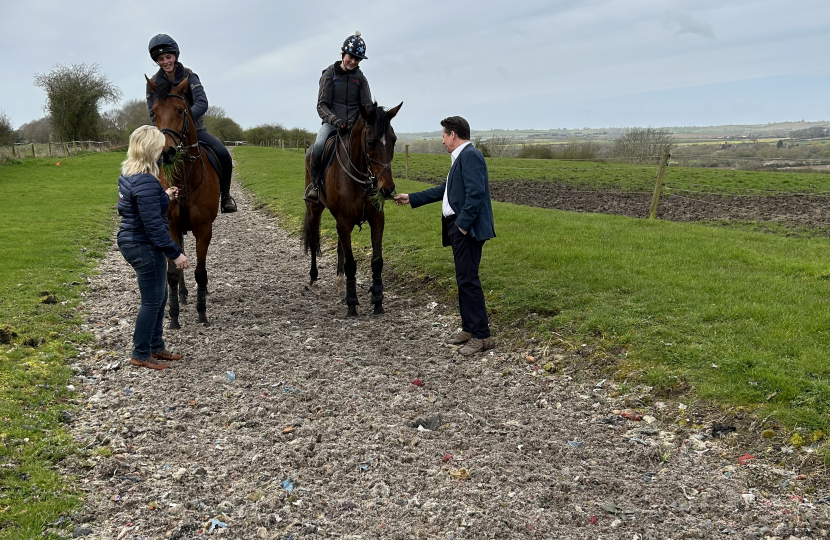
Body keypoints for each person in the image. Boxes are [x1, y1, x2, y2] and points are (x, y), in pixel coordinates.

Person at [394, 117, 496, 356]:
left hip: (466, 230)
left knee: (469, 280)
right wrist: (412, 198)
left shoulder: (470, 156)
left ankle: (482, 336)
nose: (442, 141)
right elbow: (445, 190)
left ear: (453, 135)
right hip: (459, 228)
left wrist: (461, 226)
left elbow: (476, 195)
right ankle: (469, 329)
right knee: (463, 279)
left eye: (443, 135)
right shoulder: (460, 158)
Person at [117, 125, 190, 370]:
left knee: (160, 296)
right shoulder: (147, 182)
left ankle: (156, 347)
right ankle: (140, 353)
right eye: (159, 146)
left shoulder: (129, 175)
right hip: (143, 245)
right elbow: (154, 228)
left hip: (135, 241)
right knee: (151, 300)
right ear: (151, 149)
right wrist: (176, 253)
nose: (162, 150)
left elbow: (137, 208)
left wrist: (165, 196)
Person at [146, 34, 237, 213]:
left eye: (168, 57)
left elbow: (202, 103)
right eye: (161, 59)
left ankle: (225, 196)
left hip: (195, 130)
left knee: (224, 155)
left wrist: (185, 118)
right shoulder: (153, 83)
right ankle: (148, 200)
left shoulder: (189, 75)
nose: (165, 61)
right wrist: (166, 129)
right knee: (146, 161)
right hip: (166, 133)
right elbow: (152, 111)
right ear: (157, 61)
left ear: (175, 56)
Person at [305, 31, 373, 202]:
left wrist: (357, 120)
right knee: (319, 145)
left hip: (354, 125)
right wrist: (333, 119)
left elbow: (366, 105)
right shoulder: (329, 74)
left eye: (357, 59)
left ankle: (373, 183)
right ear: (343, 53)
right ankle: (314, 186)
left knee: (373, 145)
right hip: (332, 123)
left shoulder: (361, 78)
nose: (353, 62)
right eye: (351, 57)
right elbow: (322, 104)